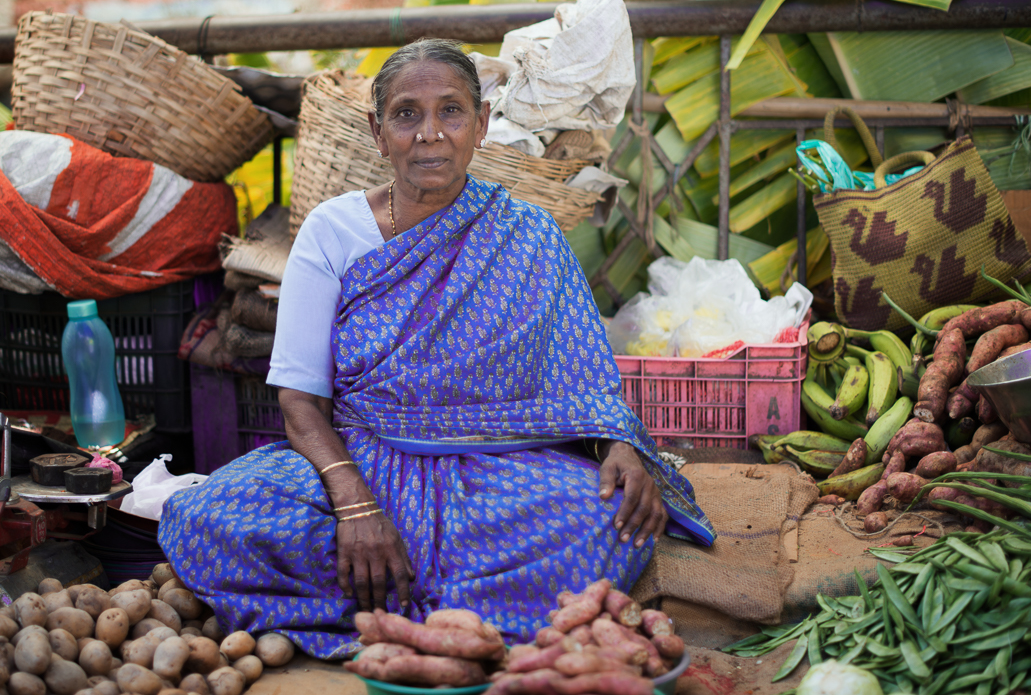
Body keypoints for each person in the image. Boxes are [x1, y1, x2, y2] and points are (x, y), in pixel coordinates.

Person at [158, 38, 714, 660]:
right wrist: (356, 506)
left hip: (494, 469)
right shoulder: (333, 230)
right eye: (406, 114)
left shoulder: (528, 236)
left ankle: (386, 614)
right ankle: (471, 613)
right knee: (207, 515)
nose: (429, 134)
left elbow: (585, 376)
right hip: (359, 458)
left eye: (450, 111)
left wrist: (621, 447)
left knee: (604, 516)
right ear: (377, 130)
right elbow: (299, 399)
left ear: (479, 126)